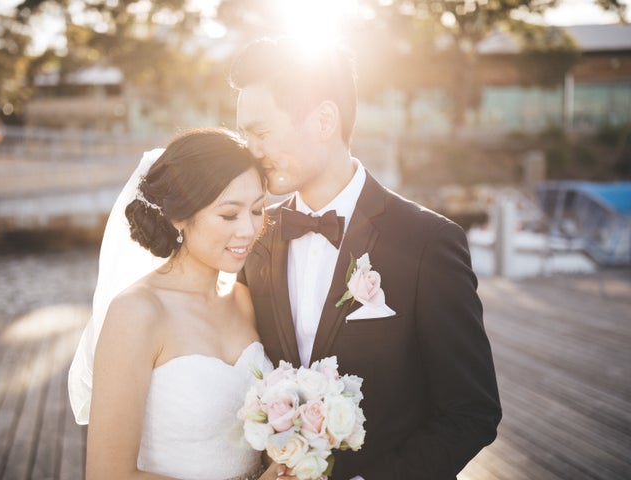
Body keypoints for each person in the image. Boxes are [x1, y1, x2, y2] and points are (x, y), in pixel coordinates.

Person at [230, 37, 502, 479]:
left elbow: (471, 412)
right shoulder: (254, 237)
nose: (251, 151)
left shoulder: (428, 241)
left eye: (260, 133)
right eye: (245, 135)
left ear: (323, 120)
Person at [68, 128, 281, 480]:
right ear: (178, 217)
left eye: (258, 210)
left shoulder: (244, 300)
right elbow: (107, 475)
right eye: (229, 215)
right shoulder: (137, 313)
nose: (248, 229)